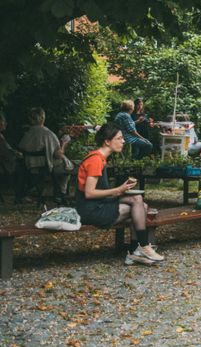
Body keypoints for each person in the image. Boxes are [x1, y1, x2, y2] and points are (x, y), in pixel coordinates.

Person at [76, 123, 164, 265]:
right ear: (107, 141)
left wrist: (122, 190)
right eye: (119, 138)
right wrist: (118, 190)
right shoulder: (95, 160)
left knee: (140, 203)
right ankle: (142, 247)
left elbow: (100, 192)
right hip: (91, 211)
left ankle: (137, 250)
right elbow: (89, 193)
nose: (123, 141)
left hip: (98, 205)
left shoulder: (100, 158)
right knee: (138, 203)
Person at [18, 107, 73, 203]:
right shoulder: (48, 134)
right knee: (68, 168)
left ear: (30, 119)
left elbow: (22, 149)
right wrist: (64, 143)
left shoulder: (27, 133)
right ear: (43, 117)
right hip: (46, 166)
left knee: (64, 165)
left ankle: (56, 193)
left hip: (30, 166)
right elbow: (58, 155)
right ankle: (61, 194)